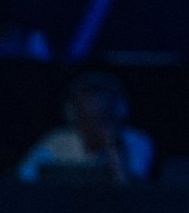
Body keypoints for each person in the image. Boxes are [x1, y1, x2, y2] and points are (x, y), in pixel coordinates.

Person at [17, 72, 155, 184]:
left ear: (119, 112)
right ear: (73, 116)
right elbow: (24, 178)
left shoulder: (137, 141)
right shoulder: (57, 141)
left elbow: (129, 188)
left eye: (102, 118)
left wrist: (113, 146)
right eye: (88, 118)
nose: (95, 126)